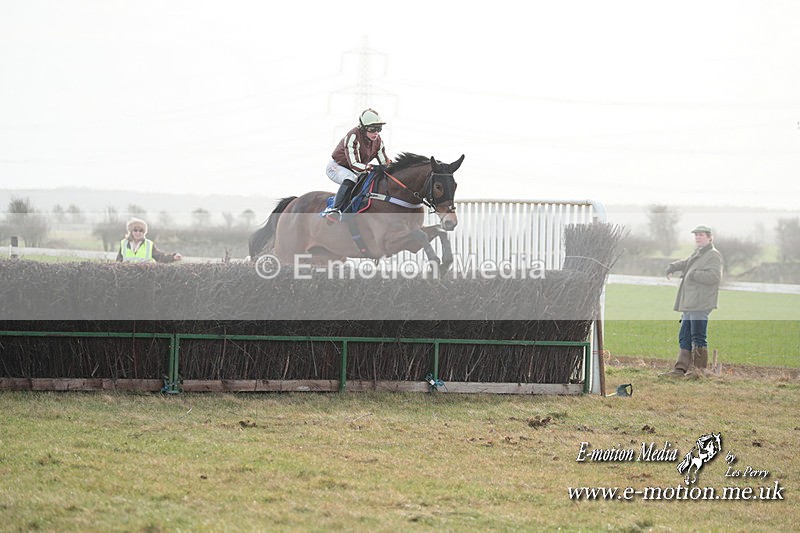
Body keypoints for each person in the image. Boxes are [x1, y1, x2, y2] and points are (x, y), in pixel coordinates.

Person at [659, 225, 724, 378]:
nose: (697, 238)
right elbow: (686, 263)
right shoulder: (699, 253)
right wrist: (672, 267)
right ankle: (680, 369)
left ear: (709, 237)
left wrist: (693, 274)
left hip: (701, 303)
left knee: (698, 336)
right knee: (685, 335)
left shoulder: (713, 255)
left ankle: (698, 371)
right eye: (696, 235)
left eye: (701, 235)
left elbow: (715, 276)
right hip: (690, 303)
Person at [323, 108, 393, 221]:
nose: (376, 132)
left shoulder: (378, 141)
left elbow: (385, 162)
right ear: (363, 127)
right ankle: (335, 209)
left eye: (378, 129)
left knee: (370, 180)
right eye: (372, 129)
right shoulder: (353, 136)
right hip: (337, 167)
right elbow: (354, 164)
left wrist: (395, 168)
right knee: (351, 178)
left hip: (357, 169)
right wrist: (371, 167)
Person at [115, 217, 182, 263]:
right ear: (131, 231)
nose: (138, 233)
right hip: (127, 279)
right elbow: (118, 262)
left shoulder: (149, 244)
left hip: (144, 279)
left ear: (143, 232)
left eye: (140, 230)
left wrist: (173, 257)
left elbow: (160, 257)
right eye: (135, 230)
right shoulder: (124, 243)